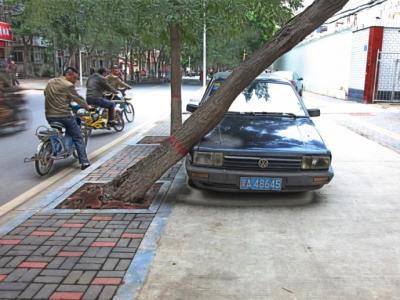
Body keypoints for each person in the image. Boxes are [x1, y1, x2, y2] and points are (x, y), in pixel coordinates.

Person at [44, 67, 92, 170]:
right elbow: (78, 98)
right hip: (63, 116)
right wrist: (87, 107)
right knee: (78, 136)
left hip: (49, 115)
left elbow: (45, 93)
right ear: (69, 75)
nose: (75, 80)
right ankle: (84, 162)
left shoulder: (51, 82)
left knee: (57, 131)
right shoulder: (68, 85)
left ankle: (57, 147)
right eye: (75, 78)